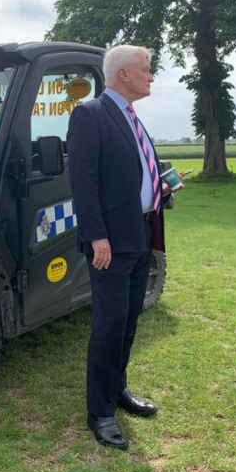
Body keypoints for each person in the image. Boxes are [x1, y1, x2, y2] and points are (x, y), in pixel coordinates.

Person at [67, 45, 180, 450]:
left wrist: (160, 187)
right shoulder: (90, 114)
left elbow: (132, 174)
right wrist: (97, 237)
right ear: (123, 75)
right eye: (146, 70)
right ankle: (99, 411)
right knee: (110, 323)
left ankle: (117, 390)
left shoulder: (132, 118)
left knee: (129, 321)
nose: (151, 77)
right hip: (110, 243)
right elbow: (83, 181)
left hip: (140, 233)